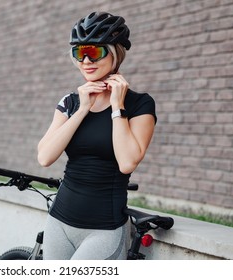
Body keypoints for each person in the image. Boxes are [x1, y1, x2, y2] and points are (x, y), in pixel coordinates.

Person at [37, 11, 157, 260]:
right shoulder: (70, 102)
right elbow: (45, 157)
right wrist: (82, 110)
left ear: (115, 53)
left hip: (104, 229)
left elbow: (127, 162)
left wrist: (117, 106)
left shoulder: (139, 105)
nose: (86, 61)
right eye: (79, 53)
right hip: (59, 222)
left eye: (94, 51)